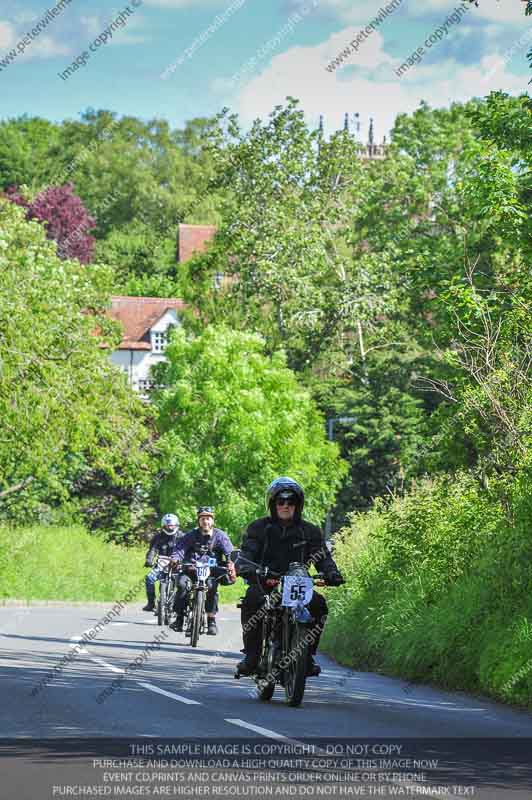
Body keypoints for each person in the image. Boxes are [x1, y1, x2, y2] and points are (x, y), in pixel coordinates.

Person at [235, 477, 344, 677]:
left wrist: (331, 573)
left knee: (319, 604)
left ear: (298, 505)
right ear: (273, 504)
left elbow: (322, 557)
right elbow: (247, 553)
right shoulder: (258, 528)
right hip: (266, 581)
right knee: (253, 599)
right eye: (281, 502)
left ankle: (307, 655)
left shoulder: (310, 531)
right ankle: (252, 655)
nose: (286, 506)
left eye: (291, 502)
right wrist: (246, 566)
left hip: (298, 584)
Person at [170, 506, 236, 635]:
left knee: (212, 587)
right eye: (203, 519)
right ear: (199, 521)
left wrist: (230, 563)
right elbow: (179, 549)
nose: (205, 522)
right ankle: (179, 619)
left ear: (212, 521)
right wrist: (175, 558)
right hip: (191, 570)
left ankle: (211, 620)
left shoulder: (220, 536)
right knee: (182, 585)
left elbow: (229, 552)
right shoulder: (190, 535)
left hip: (211, 572)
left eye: (208, 519)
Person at [143, 513, 182, 612]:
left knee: (184, 584)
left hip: (178, 565)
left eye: (172, 525)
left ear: (176, 525)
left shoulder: (182, 536)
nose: (170, 527)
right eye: (167, 525)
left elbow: (187, 550)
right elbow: (153, 550)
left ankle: (182, 606)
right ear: (163, 525)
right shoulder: (158, 537)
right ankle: (151, 603)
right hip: (161, 564)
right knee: (149, 578)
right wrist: (149, 560)